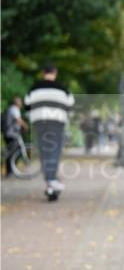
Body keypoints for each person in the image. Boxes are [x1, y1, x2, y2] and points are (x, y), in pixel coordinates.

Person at [25, 64, 75, 199]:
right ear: (55, 73)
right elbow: (70, 105)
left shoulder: (33, 88)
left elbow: (27, 105)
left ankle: (50, 182)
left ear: (43, 73)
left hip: (39, 122)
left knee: (43, 151)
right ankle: (52, 180)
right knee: (54, 150)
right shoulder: (63, 89)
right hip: (56, 122)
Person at [3, 96, 27, 177]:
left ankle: (11, 170)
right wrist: (25, 125)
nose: (21, 103)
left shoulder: (12, 109)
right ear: (16, 102)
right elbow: (18, 119)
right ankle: (10, 171)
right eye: (19, 101)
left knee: (13, 152)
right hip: (11, 134)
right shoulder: (14, 109)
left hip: (10, 134)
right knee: (13, 152)